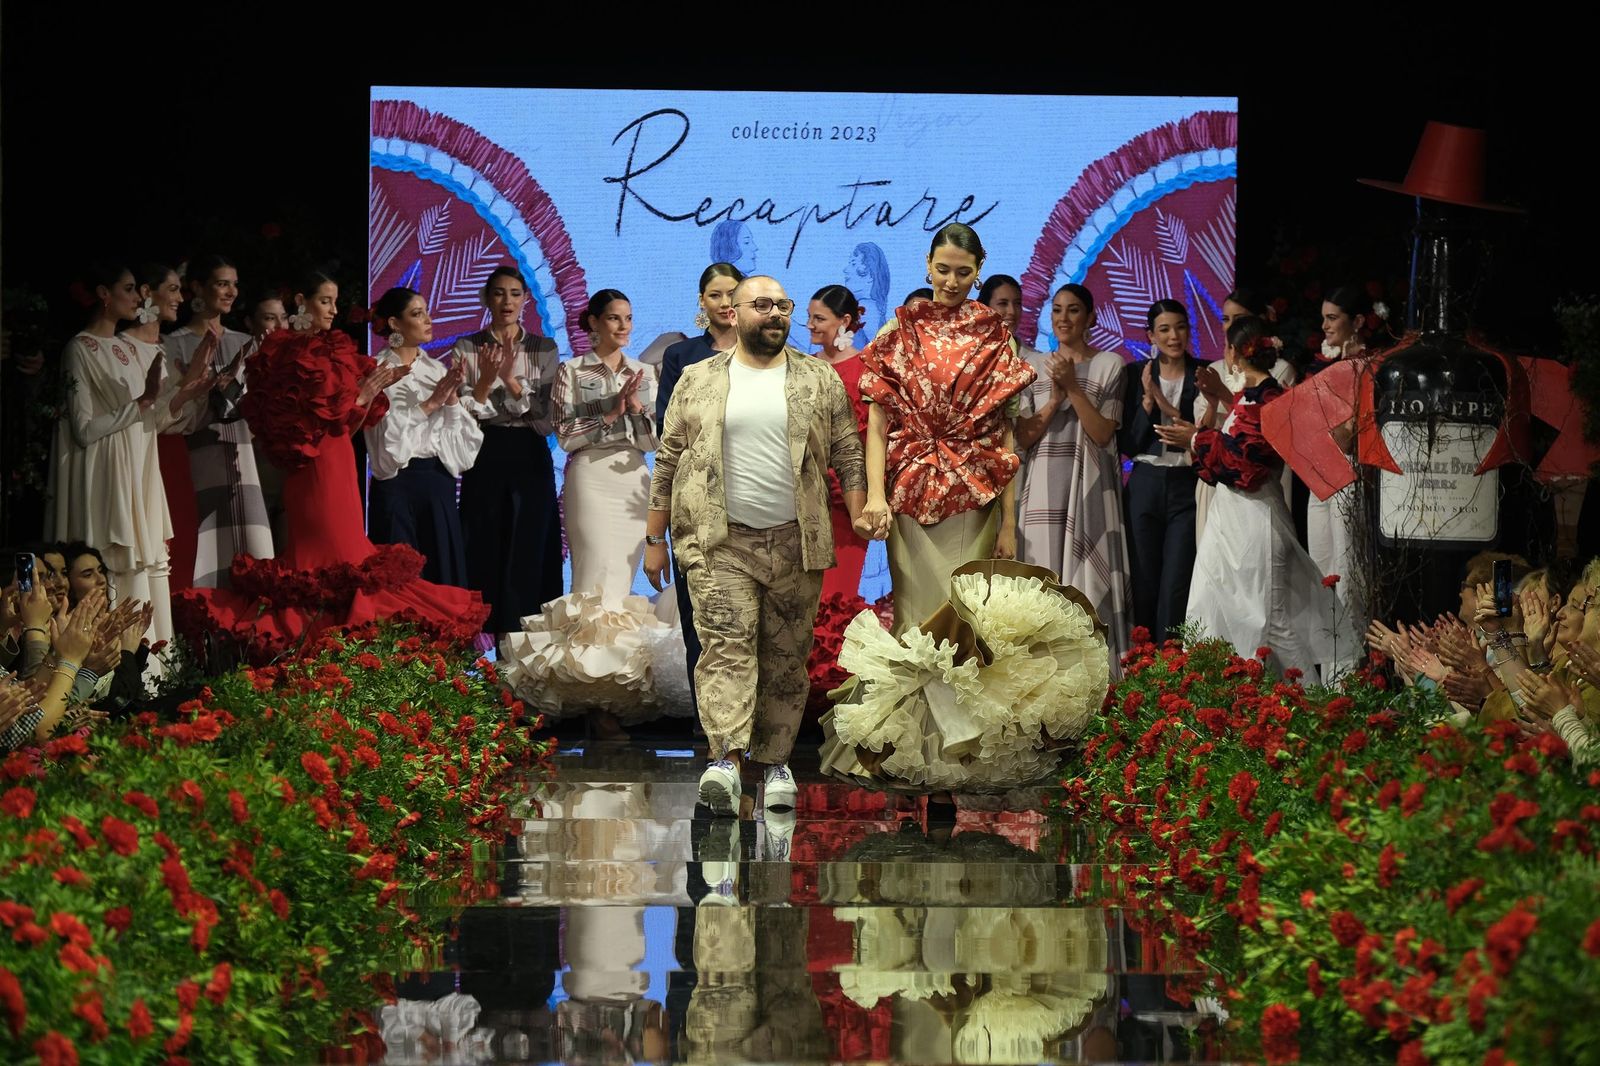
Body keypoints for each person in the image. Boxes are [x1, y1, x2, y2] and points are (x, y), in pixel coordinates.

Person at [172, 271, 488, 663]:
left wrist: (366, 397)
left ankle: (350, 665)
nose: (334, 310)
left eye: (335, 301)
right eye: (325, 301)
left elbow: (343, 428)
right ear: (300, 302)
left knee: (351, 561)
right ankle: (321, 661)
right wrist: (362, 396)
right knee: (324, 565)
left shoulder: (335, 350)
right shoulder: (281, 355)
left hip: (341, 467)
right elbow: (297, 434)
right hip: (311, 473)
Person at [644, 275, 866, 814]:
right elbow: (668, 459)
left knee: (786, 657)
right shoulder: (699, 378)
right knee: (726, 647)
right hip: (719, 540)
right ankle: (726, 760)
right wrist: (653, 537)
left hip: (795, 540)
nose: (775, 314)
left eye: (782, 305)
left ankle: (775, 765)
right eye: (761, 304)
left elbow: (847, 450)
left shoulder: (816, 377)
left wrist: (862, 512)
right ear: (734, 312)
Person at [500, 289, 677, 734]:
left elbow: (655, 441)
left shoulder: (643, 372)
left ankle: (610, 697)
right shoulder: (572, 370)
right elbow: (565, 436)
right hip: (591, 479)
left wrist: (637, 412)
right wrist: (609, 413)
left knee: (619, 587)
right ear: (594, 323)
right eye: (614, 318)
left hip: (634, 478)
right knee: (593, 584)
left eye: (628, 318)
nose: (623, 327)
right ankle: (587, 697)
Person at [854, 224, 1036, 636]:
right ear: (928, 265)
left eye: (963, 272)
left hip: (975, 494)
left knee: (966, 620)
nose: (952, 282)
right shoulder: (897, 333)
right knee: (912, 619)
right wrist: (876, 497)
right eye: (943, 270)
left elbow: (1004, 438)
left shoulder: (996, 338)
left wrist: (1009, 523)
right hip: (908, 490)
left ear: (979, 270)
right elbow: (877, 426)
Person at [1156, 318, 1336, 678]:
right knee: (1208, 610)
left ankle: (1314, 703)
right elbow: (1226, 450)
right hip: (1228, 522)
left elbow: (1246, 465)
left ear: (1233, 353)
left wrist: (1195, 439)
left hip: (1255, 522)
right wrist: (1213, 408)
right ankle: (1213, 695)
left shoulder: (1270, 399)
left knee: (1272, 621)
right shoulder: (1251, 398)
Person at [47, 262, 194, 648]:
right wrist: (140, 402)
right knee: (114, 562)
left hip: (137, 472)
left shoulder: (127, 347)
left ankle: (155, 666)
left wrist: (183, 394)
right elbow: (83, 429)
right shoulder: (80, 349)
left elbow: (149, 420)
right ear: (103, 294)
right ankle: (112, 663)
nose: (136, 297)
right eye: (128, 289)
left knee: (146, 564)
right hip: (105, 475)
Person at [1015, 283, 1130, 661]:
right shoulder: (1033, 367)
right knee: (1042, 580)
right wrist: (1054, 398)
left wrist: (1073, 388)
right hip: (1043, 487)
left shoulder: (1110, 364)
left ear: (1090, 317)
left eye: (1074, 310)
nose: (1064, 318)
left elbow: (1101, 432)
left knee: (1088, 587)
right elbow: (1024, 437)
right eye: (1057, 310)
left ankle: (1093, 676)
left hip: (1089, 486)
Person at [451, 266, 564, 636]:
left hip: (530, 452)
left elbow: (545, 419)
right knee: (484, 541)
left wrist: (509, 380)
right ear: (486, 298)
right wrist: (489, 384)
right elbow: (464, 413)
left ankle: (527, 641)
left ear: (526, 299)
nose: (507, 301)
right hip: (486, 451)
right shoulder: (468, 347)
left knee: (530, 542)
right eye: (499, 293)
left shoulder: (543, 348)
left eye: (515, 294)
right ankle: (484, 639)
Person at [655, 263, 745, 707]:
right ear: (701, 302)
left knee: (751, 616)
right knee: (699, 613)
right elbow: (667, 430)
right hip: (695, 501)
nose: (726, 303)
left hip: (754, 496)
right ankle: (707, 719)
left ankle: (751, 719)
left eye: (733, 294)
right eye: (715, 295)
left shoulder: (767, 351)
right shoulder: (681, 356)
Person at [163, 253, 274, 589]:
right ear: (198, 287)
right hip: (197, 456)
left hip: (242, 457)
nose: (231, 292)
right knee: (205, 549)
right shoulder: (172, 344)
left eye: (234, 285)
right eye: (222, 284)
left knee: (251, 552)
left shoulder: (245, 343)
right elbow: (171, 408)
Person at [364, 287, 481, 586]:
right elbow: (385, 444)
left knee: (443, 579)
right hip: (397, 485)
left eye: (427, 312)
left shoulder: (436, 370)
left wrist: (451, 401)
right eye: (417, 314)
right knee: (399, 585)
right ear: (395, 323)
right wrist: (429, 404)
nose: (428, 320)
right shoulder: (377, 370)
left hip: (437, 486)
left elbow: (463, 452)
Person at [1120, 299, 1202, 643]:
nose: (1174, 336)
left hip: (1187, 485)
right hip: (1146, 483)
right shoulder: (1134, 374)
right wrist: (1147, 403)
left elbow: (1208, 431)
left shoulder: (1203, 374)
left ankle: (1171, 659)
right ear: (1151, 335)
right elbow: (1129, 443)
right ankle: (1142, 658)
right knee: (1144, 578)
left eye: (1180, 327)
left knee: (1177, 580)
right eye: (1164, 329)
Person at [1193, 288, 1298, 540]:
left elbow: (1254, 428)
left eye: (1238, 319)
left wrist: (1221, 394)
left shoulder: (1276, 375)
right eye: (1225, 319)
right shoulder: (1214, 369)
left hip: (1255, 483)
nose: (1230, 326)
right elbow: (1204, 425)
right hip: (1219, 475)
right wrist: (1211, 405)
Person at [806, 284, 871, 600]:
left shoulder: (867, 370)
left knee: (836, 598)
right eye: (809, 317)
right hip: (805, 502)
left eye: (818, 318)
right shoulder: (803, 368)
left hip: (848, 502)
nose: (810, 325)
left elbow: (870, 439)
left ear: (844, 321)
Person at [844, 242, 891, 345]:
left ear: (870, 275)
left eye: (853, 264)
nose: (845, 270)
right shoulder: (867, 307)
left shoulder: (866, 307)